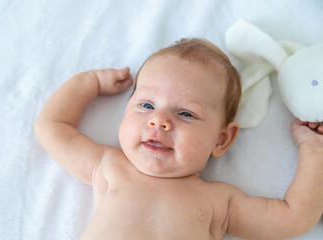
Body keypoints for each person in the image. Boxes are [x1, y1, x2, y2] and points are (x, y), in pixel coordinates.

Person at [35, 38, 323, 240]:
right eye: (146, 105)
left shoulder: (219, 201)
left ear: (221, 140)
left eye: (185, 113)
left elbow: (294, 217)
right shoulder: (109, 166)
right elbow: (53, 126)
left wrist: (314, 149)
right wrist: (89, 83)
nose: (158, 120)